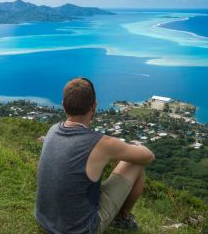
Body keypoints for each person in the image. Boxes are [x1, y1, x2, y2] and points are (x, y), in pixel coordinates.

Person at [36, 78, 155, 234]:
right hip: (81, 230)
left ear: (64, 105)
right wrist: (135, 146)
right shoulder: (100, 143)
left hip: (44, 221)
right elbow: (148, 156)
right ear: (94, 106)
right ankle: (123, 218)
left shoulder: (52, 130)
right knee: (136, 164)